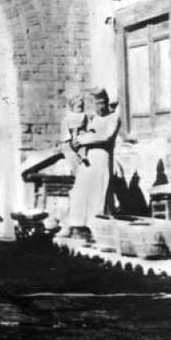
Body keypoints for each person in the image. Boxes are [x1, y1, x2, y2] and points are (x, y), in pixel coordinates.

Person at [64, 87, 120, 237]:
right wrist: (78, 141)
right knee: (82, 191)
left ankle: (99, 229)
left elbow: (106, 137)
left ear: (106, 103)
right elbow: (81, 133)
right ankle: (80, 226)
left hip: (102, 157)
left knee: (100, 191)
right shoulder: (92, 118)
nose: (98, 108)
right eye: (96, 104)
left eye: (101, 104)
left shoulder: (113, 118)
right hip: (88, 159)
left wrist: (84, 139)